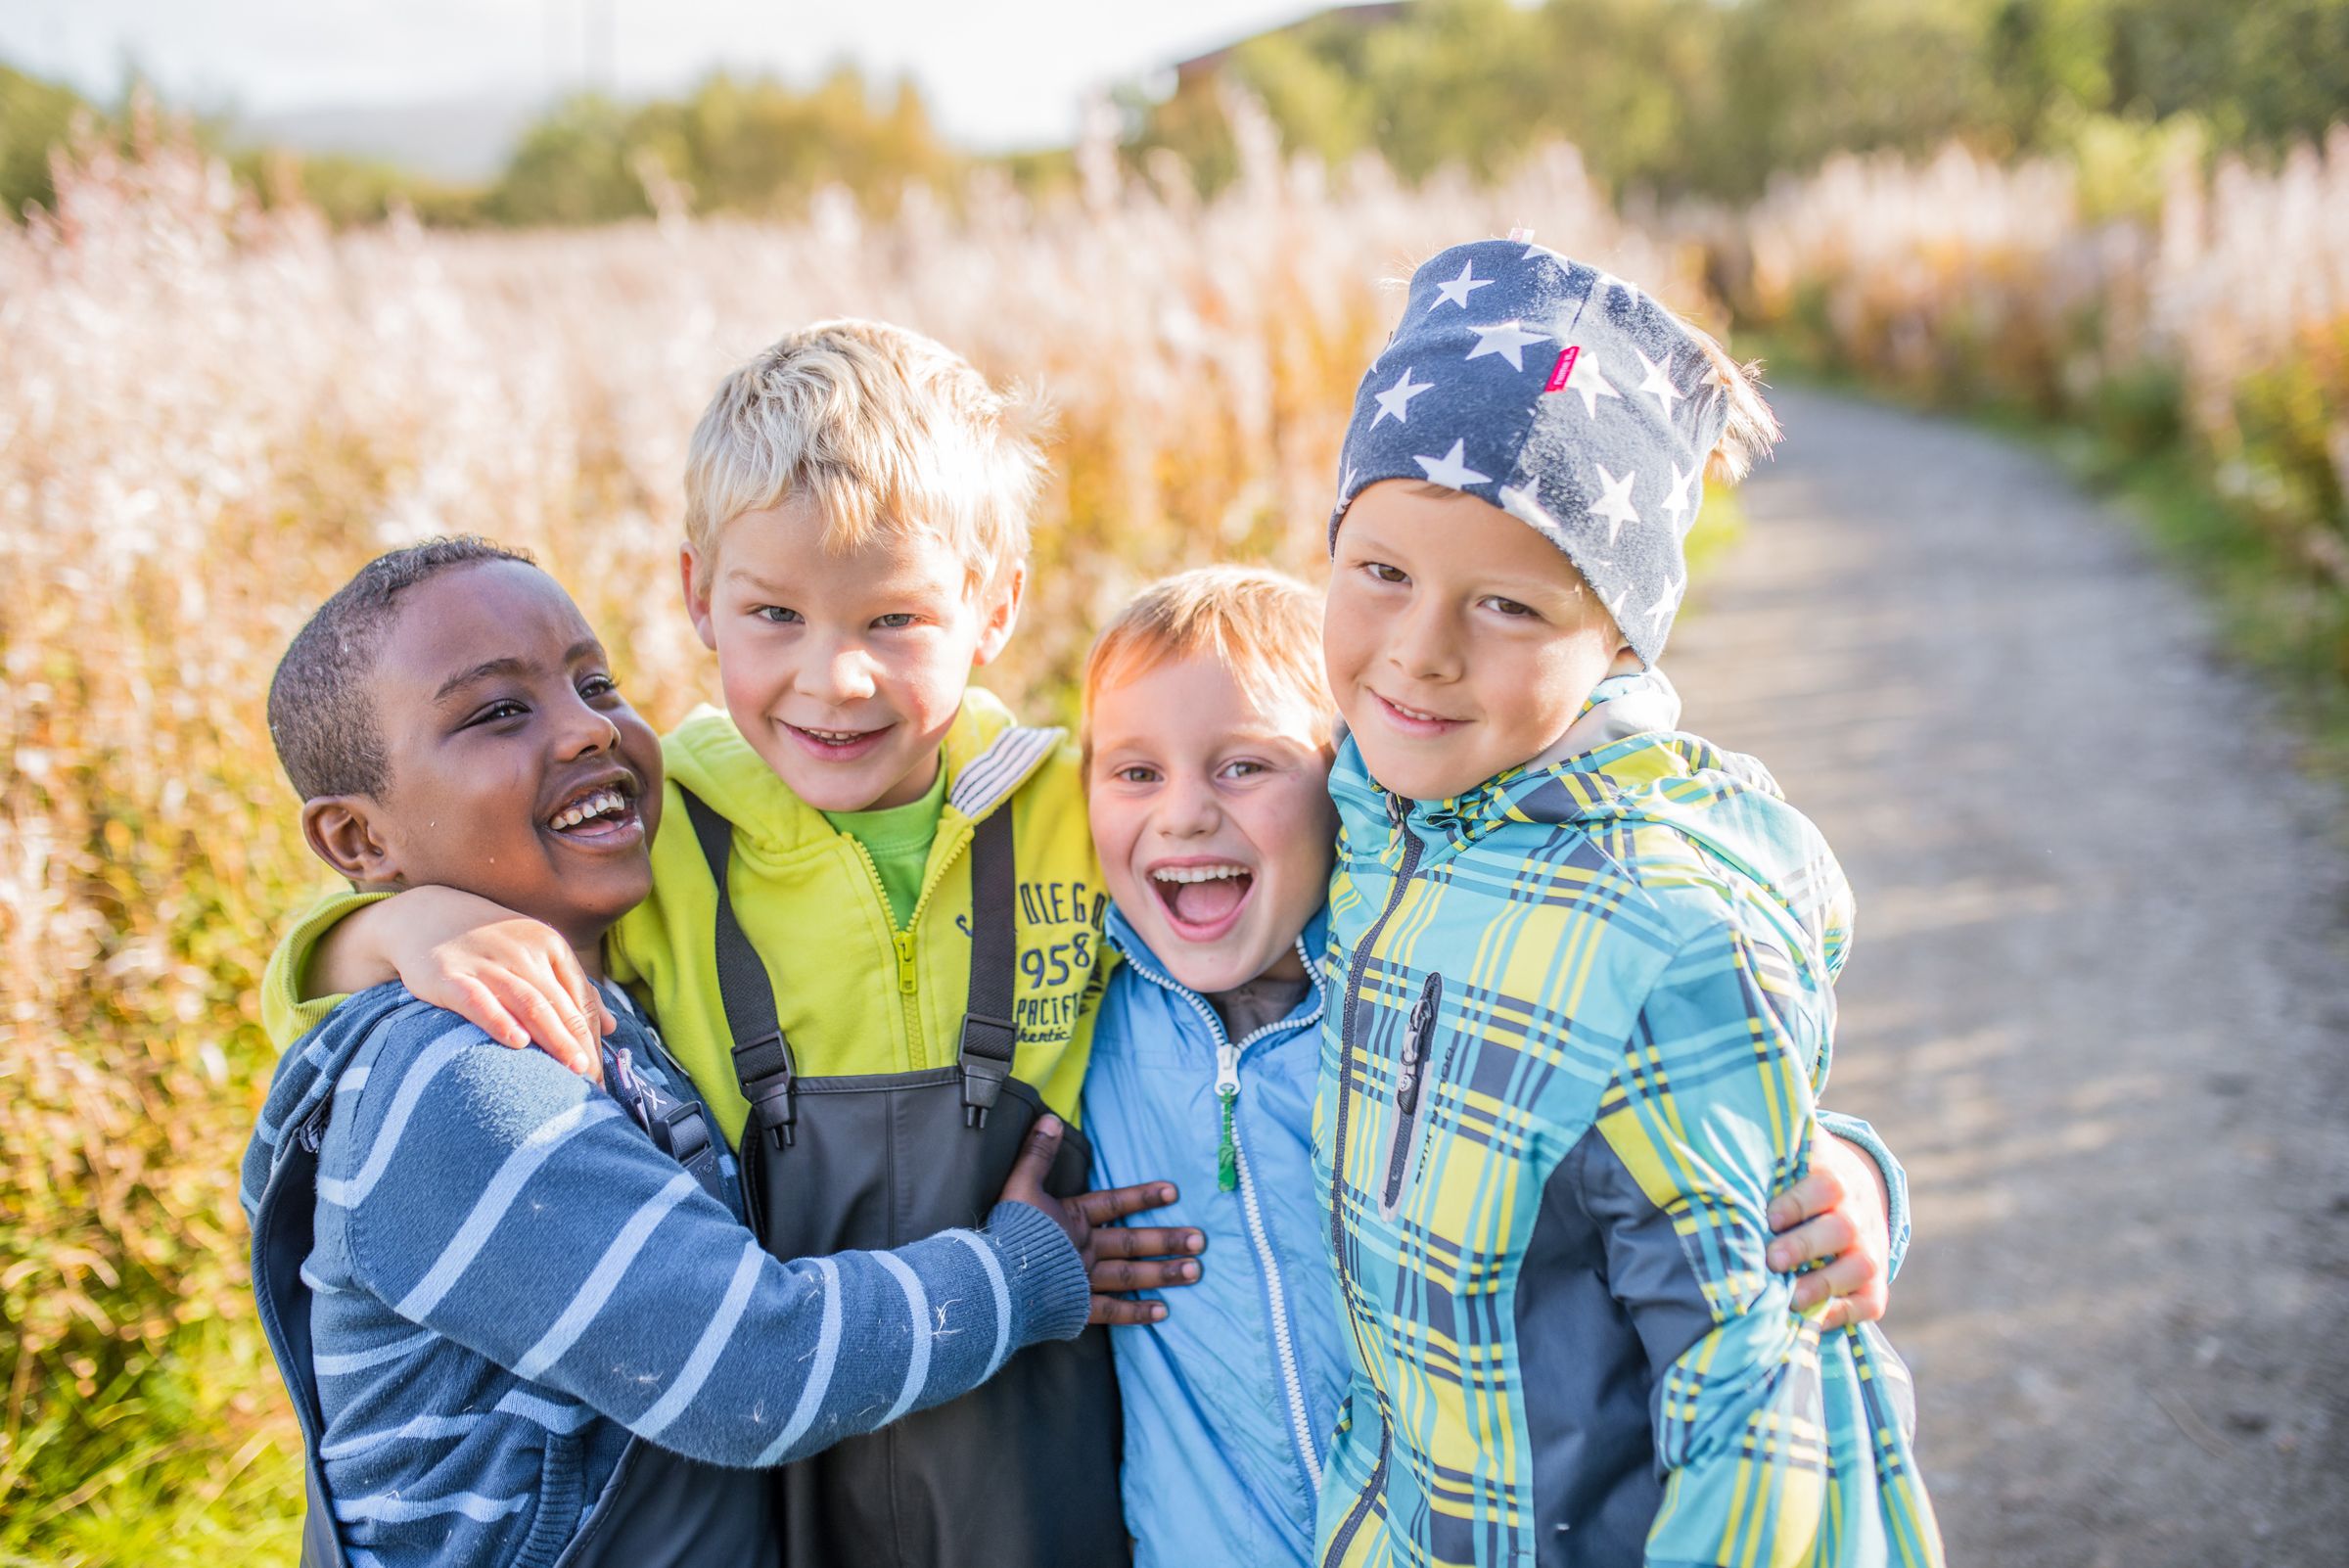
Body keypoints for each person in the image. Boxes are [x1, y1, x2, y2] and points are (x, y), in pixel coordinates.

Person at [254, 321, 1193, 1567]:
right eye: (776, 615)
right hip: (797, 1451)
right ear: (700, 599)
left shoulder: (1079, 809)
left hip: (1040, 1438)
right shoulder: (656, 849)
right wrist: (388, 923)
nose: (835, 677)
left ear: (996, 605)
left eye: (895, 619)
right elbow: (336, 1004)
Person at [1309, 239, 1945, 1567]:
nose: (1421, 648)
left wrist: (1851, 1175)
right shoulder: (1372, 822)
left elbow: (1753, 1404)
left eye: (1506, 603)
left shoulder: (1659, 930)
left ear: (1618, 639)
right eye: (1381, 572)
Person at [1078, 565, 1919, 1566]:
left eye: (1243, 767)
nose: (1181, 814)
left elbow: (1665, 1109)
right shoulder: (1089, 1008)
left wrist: (1854, 1168)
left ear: (1348, 782)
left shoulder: (1419, 1003)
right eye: (1135, 773)